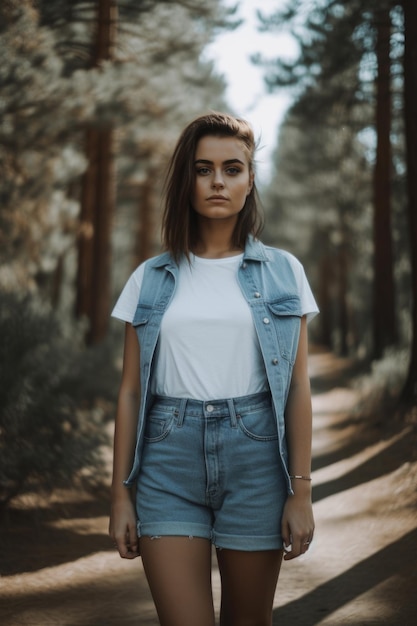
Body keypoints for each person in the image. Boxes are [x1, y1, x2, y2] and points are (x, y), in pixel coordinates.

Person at [109, 111, 319, 626]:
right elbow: (131, 392)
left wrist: (301, 492)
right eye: (203, 169)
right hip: (167, 463)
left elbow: (296, 387)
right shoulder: (150, 279)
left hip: (257, 465)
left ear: (250, 182)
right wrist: (120, 495)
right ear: (187, 180)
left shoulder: (284, 272)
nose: (218, 181)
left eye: (232, 168)